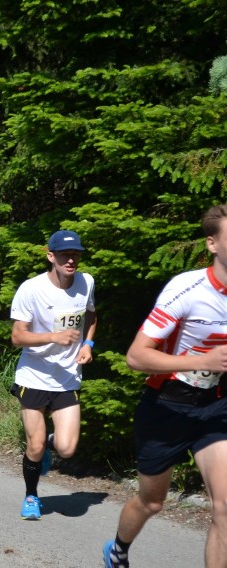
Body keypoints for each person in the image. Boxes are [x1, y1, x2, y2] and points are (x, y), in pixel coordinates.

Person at [103, 205, 227, 568]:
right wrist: (201, 361)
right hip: (167, 408)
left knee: (225, 508)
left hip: (215, 407)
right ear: (212, 243)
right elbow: (136, 357)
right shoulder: (188, 288)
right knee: (152, 502)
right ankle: (119, 549)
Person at [10, 230, 96, 521]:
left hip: (68, 377)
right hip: (34, 376)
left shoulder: (86, 283)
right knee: (32, 446)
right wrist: (52, 337)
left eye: (75, 255)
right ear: (51, 256)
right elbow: (17, 336)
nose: (71, 260)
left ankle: (48, 443)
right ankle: (31, 496)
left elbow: (91, 315)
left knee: (67, 448)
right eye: (64, 255)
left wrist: (88, 343)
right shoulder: (31, 289)